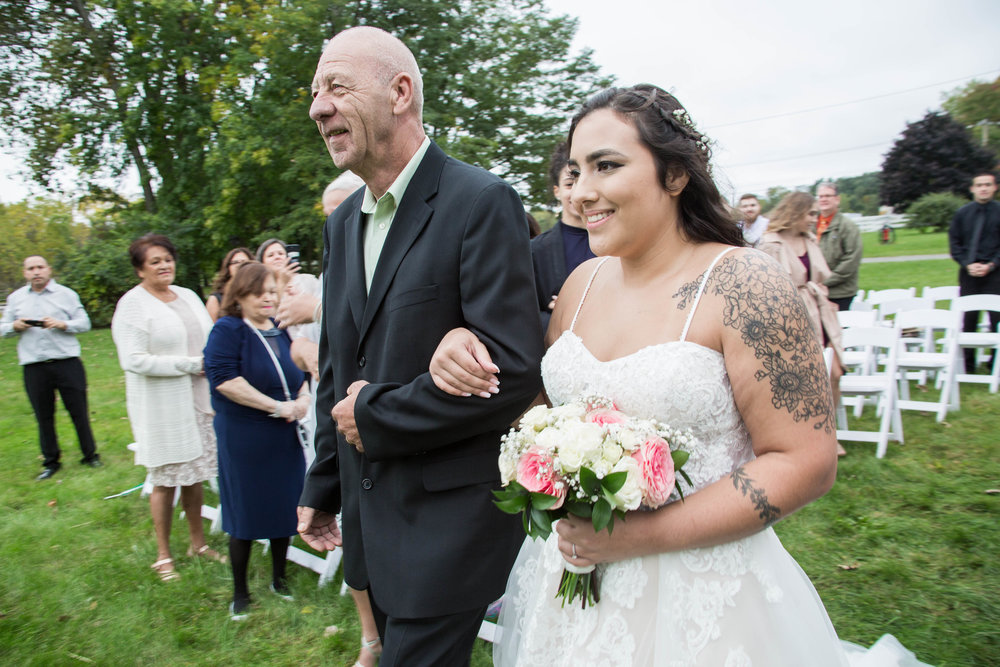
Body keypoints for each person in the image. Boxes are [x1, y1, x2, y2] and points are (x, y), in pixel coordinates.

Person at [429, 85, 926, 666]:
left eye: (607, 166)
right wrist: (460, 346)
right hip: (569, 587)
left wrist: (637, 537)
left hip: (702, 599)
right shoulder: (580, 286)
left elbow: (806, 460)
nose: (583, 192)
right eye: (575, 170)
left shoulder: (745, 285)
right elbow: (536, 412)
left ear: (675, 176)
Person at [297, 26, 542, 666]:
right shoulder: (344, 222)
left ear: (401, 92)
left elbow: (512, 371)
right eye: (315, 91)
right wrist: (322, 484)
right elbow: (336, 369)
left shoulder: (481, 201)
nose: (318, 106)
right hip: (370, 519)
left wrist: (374, 415)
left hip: (448, 525)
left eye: (336, 86)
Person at [111, 234, 224, 582]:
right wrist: (190, 364)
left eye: (168, 259)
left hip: (200, 400)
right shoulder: (133, 305)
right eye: (155, 261)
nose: (164, 265)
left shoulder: (188, 295)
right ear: (139, 268)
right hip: (163, 406)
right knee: (165, 480)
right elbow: (133, 360)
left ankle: (198, 543)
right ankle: (163, 555)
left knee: (195, 475)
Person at [203, 261, 309, 620]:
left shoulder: (280, 329)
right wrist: (278, 406)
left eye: (272, 291)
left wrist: (303, 401)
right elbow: (224, 380)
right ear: (241, 295)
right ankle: (240, 592)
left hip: (285, 435)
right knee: (245, 510)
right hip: (245, 435)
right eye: (259, 291)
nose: (268, 297)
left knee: (285, 506)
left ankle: (279, 579)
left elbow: (302, 372)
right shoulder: (228, 329)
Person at [759, 192, 847, 457]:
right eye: (810, 214)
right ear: (795, 213)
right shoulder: (771, 243)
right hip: (790, 313)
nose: (814, 219)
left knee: (834, 372)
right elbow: (766, 285)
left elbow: (820, 273)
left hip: (819, 311)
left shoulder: (810, 240)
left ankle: (829, 433)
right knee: (802, 378)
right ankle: (806, 439)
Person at [1, 255, 101, 480]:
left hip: (67, 363)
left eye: (40, 267)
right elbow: (2, 327)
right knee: (43, 416)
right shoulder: (15, 298)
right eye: (30, 268)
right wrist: (14, 326)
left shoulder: (66, 295)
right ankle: (51, 462)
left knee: (79, 412)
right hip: (34, 366)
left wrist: (62, 324)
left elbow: (84, 323)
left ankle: (90, 455)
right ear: (24, 273)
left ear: (49, 269)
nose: (36, 272)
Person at [531, 141, 596, 331]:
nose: (578, 191)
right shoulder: (534, 251)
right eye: (570, 183)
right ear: (556, 190)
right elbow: (520, 313)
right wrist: (560, 315)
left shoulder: (623, 244)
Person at [949, 171, 1000, 373]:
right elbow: (955, 244)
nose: (983, 188)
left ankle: (994, 363)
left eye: (987, 184)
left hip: (995, 274)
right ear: (972, 188)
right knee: (969, 319)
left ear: (995, 187)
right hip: (969, 273)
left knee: (997, 320)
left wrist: (991, 265)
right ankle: (967, 364)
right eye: (979, 185)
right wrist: (967, 264)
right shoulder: (962, 214)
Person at [815, 182, 862, 310]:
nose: (823, 199)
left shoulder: (847, 226)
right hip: (815, 291)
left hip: (839, 293)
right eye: (820, 196)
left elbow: (851, 260)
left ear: (837, 199)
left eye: (828, 196)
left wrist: (826, 281)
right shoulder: (812, 224)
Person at [205, 247, 253, 321]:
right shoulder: (215, 299)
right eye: (235, 262)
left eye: (244, 262)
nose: (239, 265)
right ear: (228, 268)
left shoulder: (261, 294)